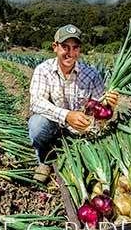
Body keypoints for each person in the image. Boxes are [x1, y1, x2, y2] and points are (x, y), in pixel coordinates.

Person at [28, 24, 119, 182]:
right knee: (37, 124)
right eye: (65, 47)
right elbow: (36, 102)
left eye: (75, 48)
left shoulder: (92, 74)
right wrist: (67, 115)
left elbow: (101, 115)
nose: (70, 53)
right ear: (55, 47)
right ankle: (45, 160)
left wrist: (109, 107)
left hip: (81, 131)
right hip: (54, 125)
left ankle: (76, 152)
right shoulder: (43, 70)